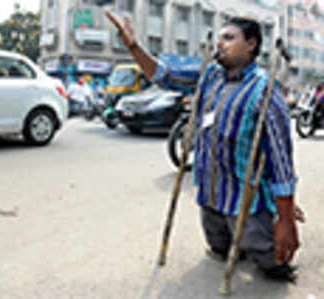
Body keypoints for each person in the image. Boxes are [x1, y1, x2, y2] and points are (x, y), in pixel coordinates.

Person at [106, 12, 305, 281]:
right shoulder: (209, 75)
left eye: (229, 38)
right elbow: (165, 76)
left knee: (268, 258)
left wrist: (285, 218)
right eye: (219, 38)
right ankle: (235, 241)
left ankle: (271, 245)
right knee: (219, 247)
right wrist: (133, 47)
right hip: (211, 191)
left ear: (251, 44)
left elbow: (282, 161)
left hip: (243, 196)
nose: (220, 44)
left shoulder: (265, 92)